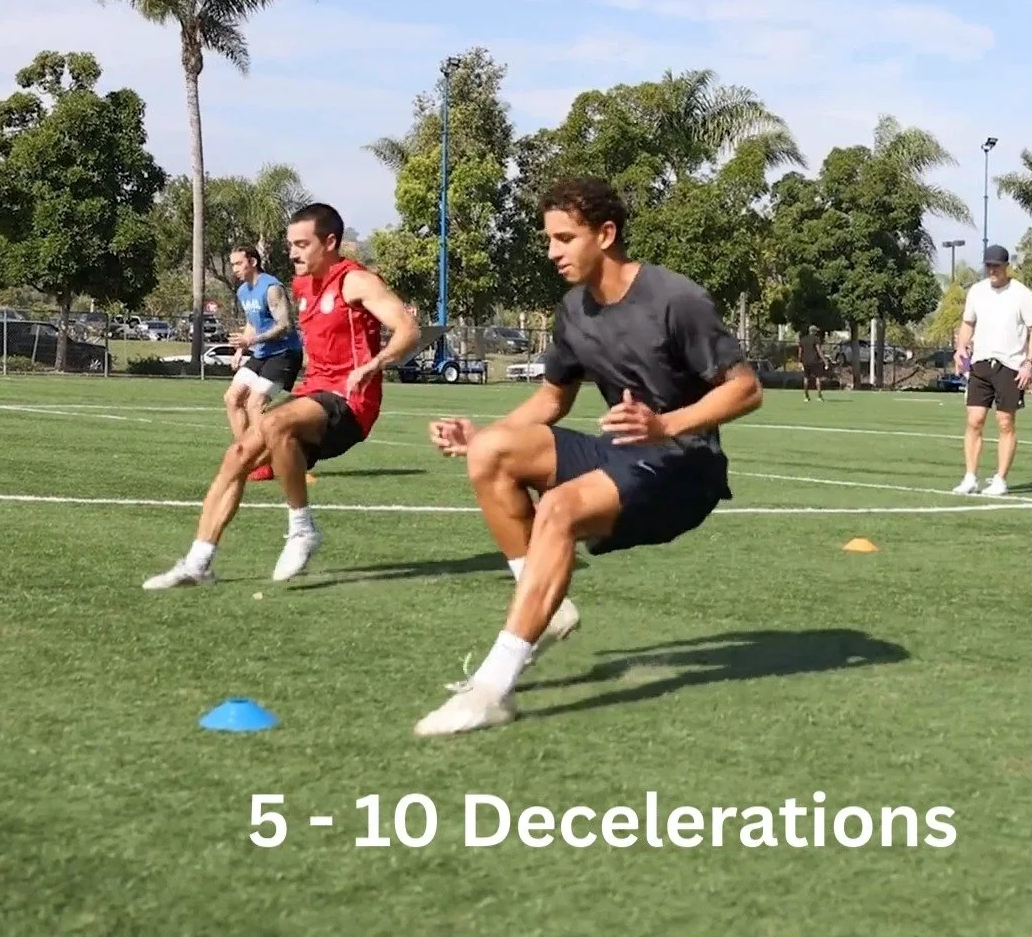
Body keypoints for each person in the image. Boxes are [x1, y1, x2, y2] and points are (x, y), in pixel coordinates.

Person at [415, 176, 764, 737]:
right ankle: (548, 608)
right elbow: (552, 400)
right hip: (623, 452)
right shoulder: (574, 310)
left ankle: (491, 691)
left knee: (558, 509)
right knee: (491, 453)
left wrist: (664, 424)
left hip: (684, 467)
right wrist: (480, 434)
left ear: (605, 234)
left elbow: (745, 388)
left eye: (564, 238)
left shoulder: (676, 299)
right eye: (548, 239)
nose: (552, 252)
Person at [143, 204, 421, 589]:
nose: (292, 253)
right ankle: (198, 563)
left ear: (330, 242)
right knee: (237, 456)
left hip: (351, 401)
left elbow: (408, 330)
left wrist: (376, 364)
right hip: (314, 392)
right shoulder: (303, 285)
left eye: (302, 244)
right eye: (290, 244)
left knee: (274, 421)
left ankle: (302, 528)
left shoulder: (355, 281)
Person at [951, 243, 1032, 497]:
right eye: (988, 266)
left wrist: (1029, 363)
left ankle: (1000, 479)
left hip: (1010, 365)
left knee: (1005, 422)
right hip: (981, 363)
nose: (992, 270)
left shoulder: (1021, 294)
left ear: (1006, 267)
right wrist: (960, 347)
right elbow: (968, 323)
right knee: (974, 420)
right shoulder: (977, 292)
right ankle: (970, 477)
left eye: (997, 266)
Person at [222, 246, 302, 482]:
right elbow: (251, 323)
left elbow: (285, 325)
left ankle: (267, 464)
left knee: (255, 404)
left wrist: (251, 341)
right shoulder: (243, 291)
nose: (235, 269)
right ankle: (247, 455)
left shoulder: (271, 288)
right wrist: (241, 349)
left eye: (239, 263)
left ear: (253, 262)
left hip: (285, 354)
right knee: (232, 398)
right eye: (233, 264)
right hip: (262, 352)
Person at [798, 325, 826, 402]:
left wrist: (800, 361)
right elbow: (818, 350)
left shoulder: (803, 339)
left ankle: (806, 396)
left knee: (806, 377)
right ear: (814, 331)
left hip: (805, 361)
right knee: (817, 377)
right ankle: (819, 396)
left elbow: (800, 352)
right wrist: (824, 360)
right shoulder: (816, 339)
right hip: (815, 361)